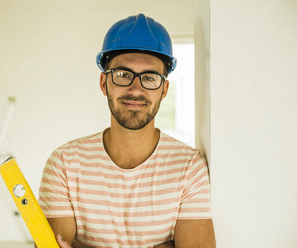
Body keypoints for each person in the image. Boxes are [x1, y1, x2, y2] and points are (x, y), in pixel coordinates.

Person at [38, 14, 215, 248]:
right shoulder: (64, 164)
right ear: (104, 83)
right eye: (123, 75)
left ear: (163, 90)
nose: (136, 88)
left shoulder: (189, 169)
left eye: (150, 78)